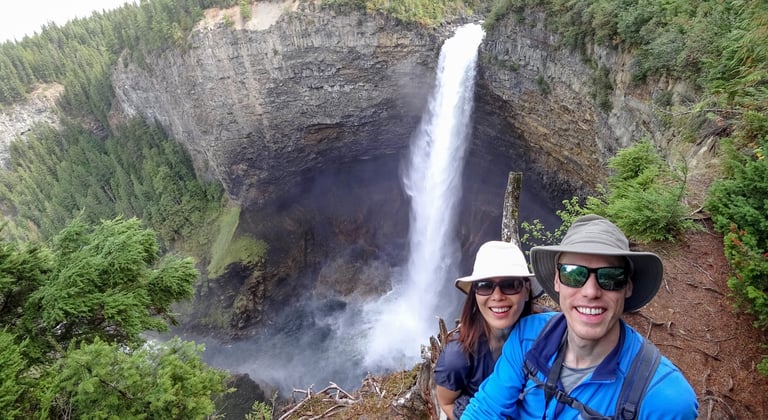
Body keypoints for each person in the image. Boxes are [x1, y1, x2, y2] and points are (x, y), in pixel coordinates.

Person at [461, 214, 698, 419]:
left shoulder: (664, 398)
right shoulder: (527, 336)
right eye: (574, 274)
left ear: (627, 286)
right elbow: (485, 411)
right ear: (557, 280)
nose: (591, 292)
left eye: (610, 277)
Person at [433, 240, 539, 420]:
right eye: (485, 285)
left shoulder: (547, 332)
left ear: (526, 289)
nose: (497, 296)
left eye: (510, 284)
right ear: (475, 294)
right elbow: (446, 403)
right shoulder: (457, 358)